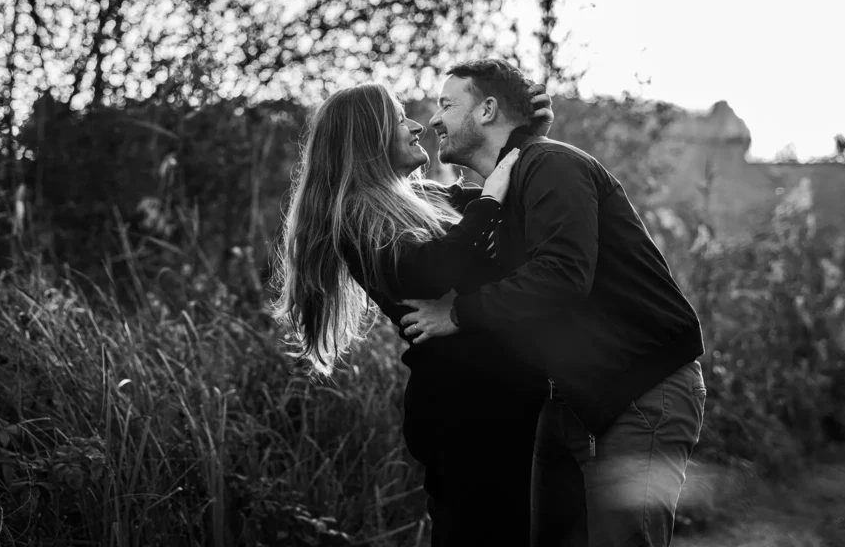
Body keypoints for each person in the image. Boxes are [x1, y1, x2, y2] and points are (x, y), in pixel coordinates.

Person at [399, 59, 707, 547]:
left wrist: (458, 314)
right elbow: (413, 204)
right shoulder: (498, 192)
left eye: (446, 105)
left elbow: (563, 274)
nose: (434, 120)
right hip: (571, 398)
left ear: (488, 110)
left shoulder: (551, 165)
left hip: (642, 388)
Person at [271, 82, 554, 545]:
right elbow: (428, 273)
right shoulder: (358, 216)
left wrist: (525, 134)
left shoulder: (417, 199)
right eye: (401, 117)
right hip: (464, 410)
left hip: (498, 400)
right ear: (368, 137)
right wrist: (487, 201)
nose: (417, 125)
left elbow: (508, 200)